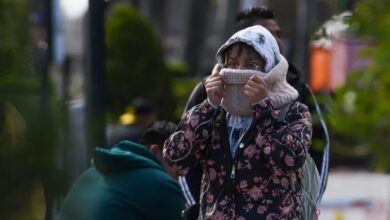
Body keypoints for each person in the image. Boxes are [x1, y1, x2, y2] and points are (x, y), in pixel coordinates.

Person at [181, 6, 330, 213]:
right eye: (266, 35)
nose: (276, 41)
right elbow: (179, 157)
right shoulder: (212, 92)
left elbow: (307, 154)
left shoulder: (298, 95)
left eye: (278, 34)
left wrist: (263, 109)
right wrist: (196, 208)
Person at [59, 121, 185, 220]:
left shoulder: (91, 174)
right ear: (156, 150)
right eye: (179, 160)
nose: (181, 172)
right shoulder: (159, 183)